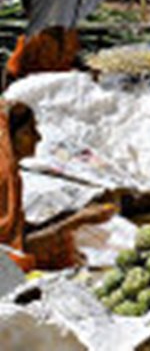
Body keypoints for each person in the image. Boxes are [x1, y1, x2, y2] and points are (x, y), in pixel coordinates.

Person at [0, 101, 114, 269]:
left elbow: (19, 234)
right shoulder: (3, 178)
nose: (38, 138)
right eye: (28, 132)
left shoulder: (13, 177)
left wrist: (67, 218)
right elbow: (19, 248)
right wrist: (77, 220)